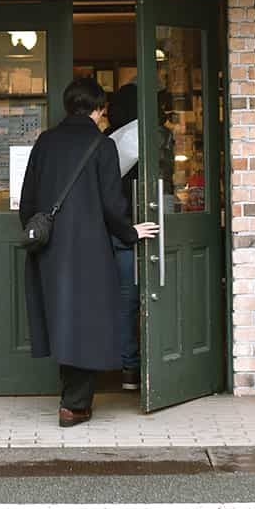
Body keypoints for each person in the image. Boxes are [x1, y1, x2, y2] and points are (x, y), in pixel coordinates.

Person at [18, 77, 159, 428]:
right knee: (87, 323)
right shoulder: (102, 145)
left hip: (50, 249)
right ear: (98, 109)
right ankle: (74, 405)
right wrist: (130, 231)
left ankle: (72, 397)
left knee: (62, 319)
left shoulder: (45, 142)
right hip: (90, 250)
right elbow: (113, 206)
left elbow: (27, 203)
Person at [105, 82, 142, 391]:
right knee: (130, 300)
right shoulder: (137, 139)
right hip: (129, 228)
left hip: (112, 230)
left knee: (123, 302)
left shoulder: (109, 140)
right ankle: (130, 367)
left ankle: (126, 367)